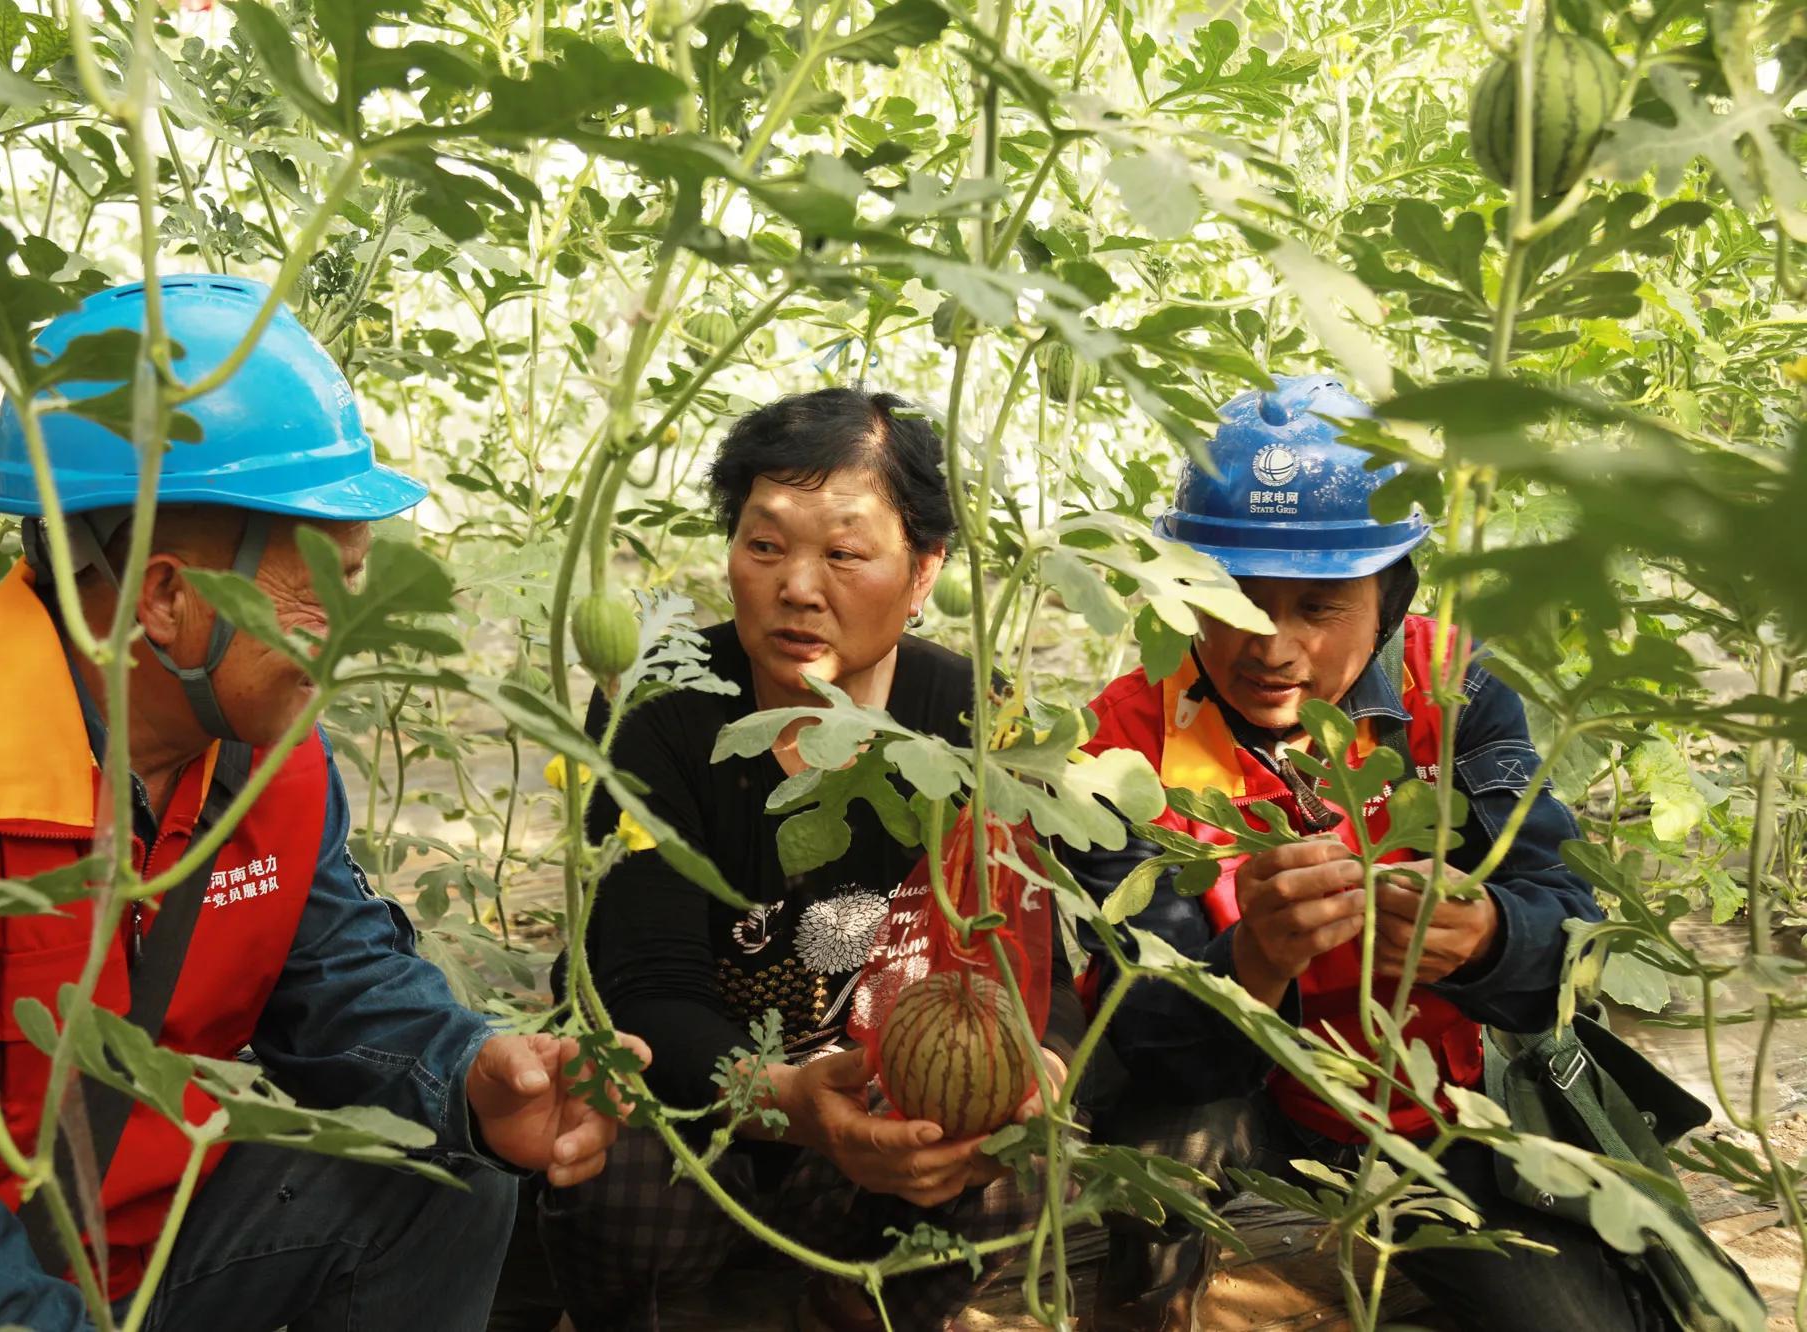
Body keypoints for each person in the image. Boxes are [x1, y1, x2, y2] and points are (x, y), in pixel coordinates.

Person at [0, 275, 641, 1332]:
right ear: (164, 597)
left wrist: (473, 1077)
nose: (351, 632)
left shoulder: (266, 754)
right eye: (321, 589)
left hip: (156, 1240)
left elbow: (338, 975)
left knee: (439, 1183)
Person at [1066, 375, 1657, 1331]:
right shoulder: (1121, 743)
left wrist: (1486, 935)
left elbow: (1574, 927)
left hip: (1434, 1093)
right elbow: (1141, 1032)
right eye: (1237, 602)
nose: (1274, 648)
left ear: (1389, 598)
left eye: (1319, 606)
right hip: (1233, 1090)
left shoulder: (1456, 687)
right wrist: (1253, 961)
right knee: (1160, 1154)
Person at [533, 387, 1085, 1332]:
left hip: (886, 1106)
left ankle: (847, 1310)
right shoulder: (659, 703)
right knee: (622, 1190)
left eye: (843, 553)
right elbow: (644, 982)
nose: (797, 585)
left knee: (1018, 1172)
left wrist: (1034, 1069)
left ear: (924, 573)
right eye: (765, 544)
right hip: (708, 1107)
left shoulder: (973, 719)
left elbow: (1033, 966)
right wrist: (789, 1103)